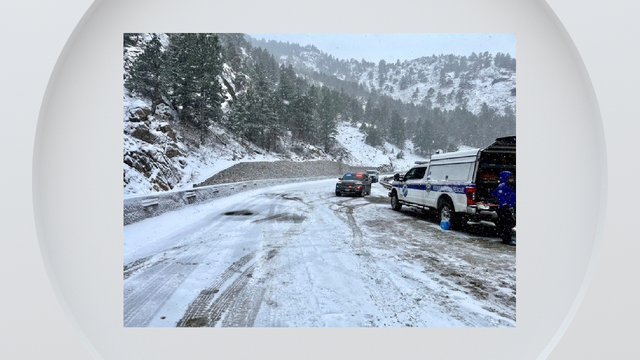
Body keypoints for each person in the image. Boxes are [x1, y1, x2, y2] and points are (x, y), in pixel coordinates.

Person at [492, 171, 516, 245]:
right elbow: (501, 197)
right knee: (506, 224)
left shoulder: (510, 186)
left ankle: (506, 237)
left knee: (508, 223)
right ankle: (506, 239)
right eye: (510, 178)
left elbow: (513, 195)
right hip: (504, 208)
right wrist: (505, 204)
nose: (512, 180)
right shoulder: (502, 186)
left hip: (509, 206)